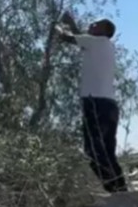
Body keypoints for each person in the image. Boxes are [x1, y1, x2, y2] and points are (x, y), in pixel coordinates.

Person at [55, 12, 128, 193]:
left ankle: (113, 190)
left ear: (104, 31)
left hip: (95, 103)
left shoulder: (94, 42)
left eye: (96, 24)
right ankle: (121, 190)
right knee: (108, 152)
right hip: (109, 105)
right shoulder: (105, 45)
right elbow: (81, 38)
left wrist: (56, 25)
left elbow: (66, 37)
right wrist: (71, 23)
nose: (91, 25)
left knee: (93, 151)